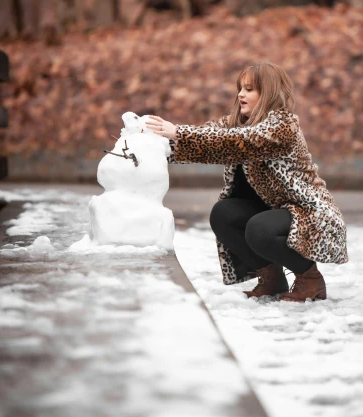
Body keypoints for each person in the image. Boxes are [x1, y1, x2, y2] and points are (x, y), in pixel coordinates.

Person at [145, 62, 348, 302]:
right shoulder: (236, 122)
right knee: (224, 213)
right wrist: (151, 145)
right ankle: (272, 278)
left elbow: (237, 141)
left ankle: (310, 279)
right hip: (273, 211)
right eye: (240, 88)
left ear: (269, 92)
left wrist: (180, 132)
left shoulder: (283, 126)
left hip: (307, 211)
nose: (241, 94)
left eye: (250, 89)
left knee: (259, 229)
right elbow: (209, 142)